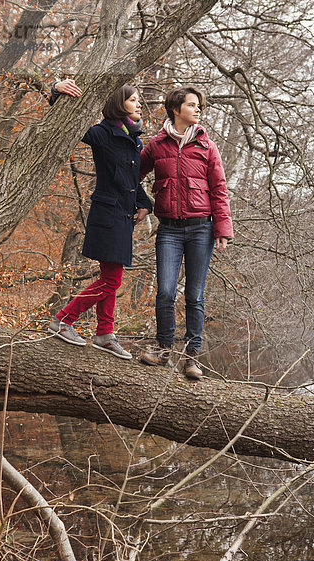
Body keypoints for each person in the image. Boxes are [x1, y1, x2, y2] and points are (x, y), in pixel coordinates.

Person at [47, 80, 152, 359]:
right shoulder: (103, 133)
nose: (139, 104)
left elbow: (131, 180)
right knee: (112, 281)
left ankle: (105, 334)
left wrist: (144, 203)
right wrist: (56, 90)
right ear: (119, 105)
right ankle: (63, 320)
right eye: (133, 100)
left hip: (123, 215)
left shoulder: (133, 138)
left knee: (110, 278)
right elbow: (68, 124)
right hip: (107, 214)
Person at [139, 86, 233, 379]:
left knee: (194, 295)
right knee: (165, 291)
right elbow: (133, 174)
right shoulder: (156, 145)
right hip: (168, 230)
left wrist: (222, 228)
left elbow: (219, 189)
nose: (197, 110)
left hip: (201, 229)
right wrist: (142, 204)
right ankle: (163, 349)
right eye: (192, 105)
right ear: (176, 110)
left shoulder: (208, 147)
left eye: (199, 106)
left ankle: (192, 358)